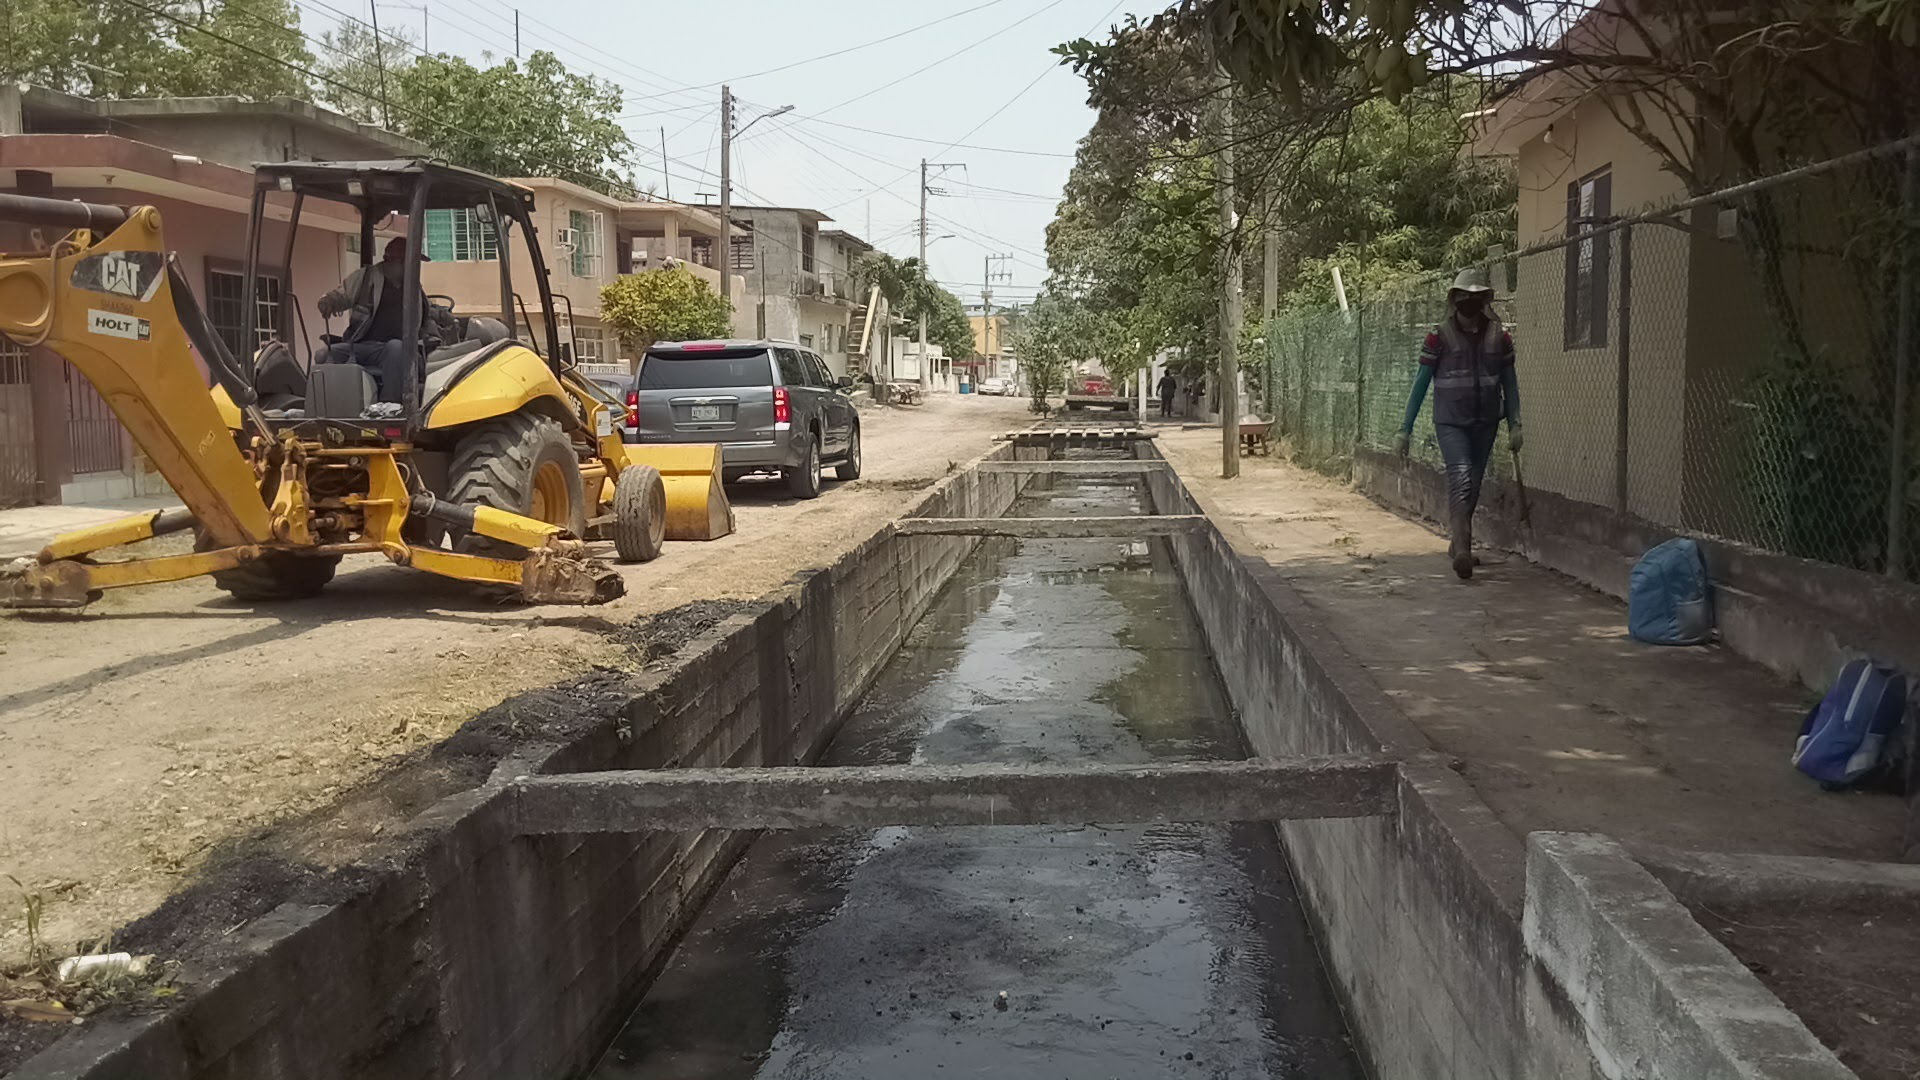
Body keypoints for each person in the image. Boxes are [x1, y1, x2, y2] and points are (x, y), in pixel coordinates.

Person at [1393, 267, 1522, 581]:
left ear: (1484, 300)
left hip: (1486, 421)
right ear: (1454, 300)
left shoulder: (1499, 336)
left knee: (1473, 484)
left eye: (1475, 297)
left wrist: (1515, 424)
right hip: (1451, 422)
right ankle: (1463, 549)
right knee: (1461, 477)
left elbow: (1510, 381)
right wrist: (1404, 429)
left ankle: (1458, 542)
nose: (1469, 302)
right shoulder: (1439, 336)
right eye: (1464, 296)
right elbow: (1421, 383)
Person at [316, 236, 432, 404]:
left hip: (396, 350)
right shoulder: (366, 278)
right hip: (362, 346)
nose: (415, 269)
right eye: (411, 263)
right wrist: (329, 301)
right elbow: (342, 295)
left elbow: (428, 314)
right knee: (324, 355)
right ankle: (330, 405)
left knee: (396, 347)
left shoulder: (415, 289)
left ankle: (390, 406)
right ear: (395, 262)